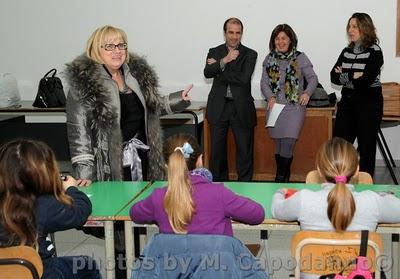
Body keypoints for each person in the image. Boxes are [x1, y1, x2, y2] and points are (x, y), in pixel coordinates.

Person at [65, 25, 193, 185]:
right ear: (96, 49)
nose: (117, 51)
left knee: (143, 204)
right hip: (109, 165)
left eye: (121, 45)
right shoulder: (83, 83)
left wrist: (178, 99)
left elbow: (151, 107)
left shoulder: (135, 75)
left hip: (143, 155)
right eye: (109, 46)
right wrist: (84, 172)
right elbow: (79, 133)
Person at [271, 137, 400, 278]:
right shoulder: (371, 201)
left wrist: (280, 192)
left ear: (319, 170)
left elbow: (277, 210)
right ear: (357, 170)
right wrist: (383, 196)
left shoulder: (304, 199)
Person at [0, 139, 100, 279]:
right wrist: (71, 188)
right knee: (87, 265)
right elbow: (80, 211)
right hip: (41, 272)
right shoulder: (44, 205)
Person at [130, 133, 265, 235]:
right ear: (200, 160)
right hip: (215, 269)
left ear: (167, 166)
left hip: (174, 270)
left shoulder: (158, 198)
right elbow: (258, 214)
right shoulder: (219, 194)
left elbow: (134, 213)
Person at [260, 24, 318, 182]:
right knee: (279, 143)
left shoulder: (300, 57)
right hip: (275, 106)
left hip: (294, 107)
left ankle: (279, 179)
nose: (280, 41)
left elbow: (313, 79)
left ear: (291, 39)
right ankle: (285, 178)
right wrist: (270, 96)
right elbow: (264, 83)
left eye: (283, 38)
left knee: (288, 142)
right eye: (277, 39)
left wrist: (306, 92)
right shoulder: (269, 58)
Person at [204, 17, 257, 182]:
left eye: (238, 33)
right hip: (219, 107)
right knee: (217, 153)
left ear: (242, 34)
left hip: (241, 108)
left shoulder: (250, 54)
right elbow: (207, 72)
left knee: (244, 152)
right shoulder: (215, 51)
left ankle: (246, 190)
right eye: (231, 32)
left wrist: (218, 68)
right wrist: (226, 60)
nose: (234, 37)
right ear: (225, 33)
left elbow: (243, 79)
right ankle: (219, 190)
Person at [331, 12, 384, 178]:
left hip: (368, 105)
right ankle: (338, 183)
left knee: (366, 148)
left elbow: (366, 80)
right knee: (339, 147)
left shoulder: (375, 51)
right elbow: (333, 76)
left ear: (364, 29)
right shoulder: (346, 51)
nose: (350, 30)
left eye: (354, 27)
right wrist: (354, 75)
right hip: (347, 104)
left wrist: (345, 74)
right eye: (349, 26)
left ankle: (366, 187)